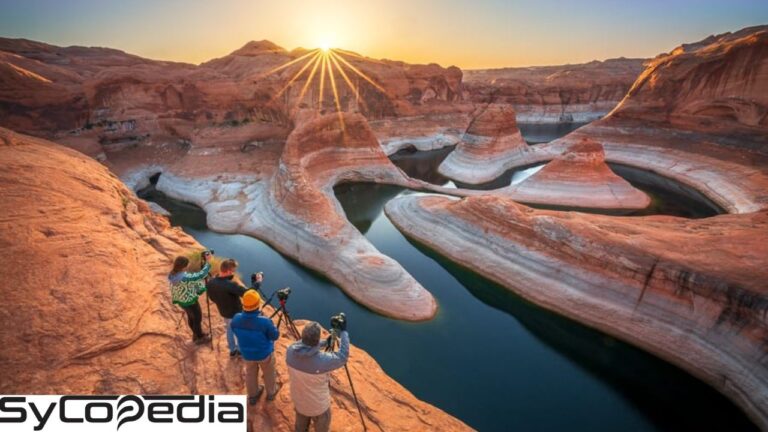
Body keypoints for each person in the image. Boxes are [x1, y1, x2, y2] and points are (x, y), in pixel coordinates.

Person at [286, 319, 349, 432]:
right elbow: (343, 356)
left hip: (299, 402)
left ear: (303, 336)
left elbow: (304, 346)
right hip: (318, 407)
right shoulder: (323, 361)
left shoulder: (290, 352)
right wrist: (344, 331)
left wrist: (324, 343)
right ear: (317, 339)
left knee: (300, 426)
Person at [231, 289, 281, 405]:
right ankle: (271, 393)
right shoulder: (265, 322)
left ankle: (253, 396)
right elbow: (275, 336)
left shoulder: (236, 318)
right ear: (258, 305)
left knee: (250, 373)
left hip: (247, 354)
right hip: (264, 354)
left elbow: (234, 331)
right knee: (269, 372)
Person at [206, 258, 248, 357]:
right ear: (229, 271)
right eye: (233, 271)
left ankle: (232, 351)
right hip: (236, 313)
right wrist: (256, 283)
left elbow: (212, 298)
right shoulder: (230, 285)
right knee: (239, 331)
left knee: (229, 329)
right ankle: (240, 351)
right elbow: (247, 294)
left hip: (224, 312)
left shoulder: (210, 282)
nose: (234, 273)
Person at [168, 254, 211, 344]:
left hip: (181, 301)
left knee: (191, 317)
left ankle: (196, 334)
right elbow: (200, 275)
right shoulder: (184, 277)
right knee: (197, 319)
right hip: (190, 301)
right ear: (184, 266)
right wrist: (207, 263)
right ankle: (199, 338)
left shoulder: (172, 274)